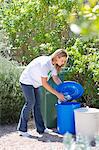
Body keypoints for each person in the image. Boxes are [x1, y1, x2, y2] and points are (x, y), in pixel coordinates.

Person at [17, 49, 68, 137]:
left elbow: (55, 78)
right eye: (62, 60)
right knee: (30, 103)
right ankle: (22, 129)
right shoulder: (45, 64)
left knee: (37, 105)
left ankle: (41, 129)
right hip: (27, 81)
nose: (63, 63)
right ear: (57, 57)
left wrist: (64, 89)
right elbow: (44, 83)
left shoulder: (53, 65)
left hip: (35, 83)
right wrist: (57, 94)